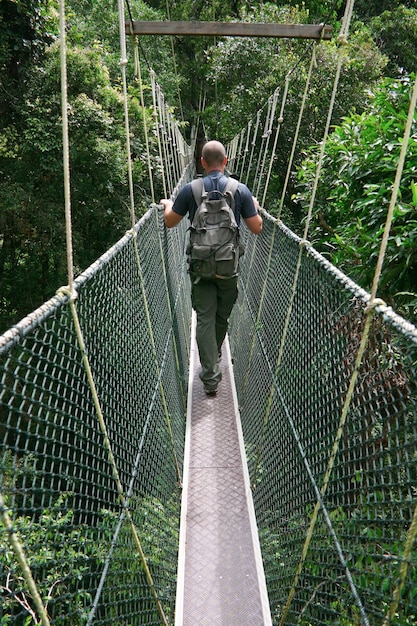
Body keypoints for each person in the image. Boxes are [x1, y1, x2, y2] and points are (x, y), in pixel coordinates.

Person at [160, 140, 262, 396]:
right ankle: (213, 353)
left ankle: (210, 378)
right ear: (225, 161)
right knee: (221, 317)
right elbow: (256, 227)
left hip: (200, 267)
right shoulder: (240, 190)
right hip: (229, 268)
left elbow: (170, 223)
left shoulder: (190, 189)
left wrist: (168, 205)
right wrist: (254, 207)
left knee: (204, 318)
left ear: (202, 163)